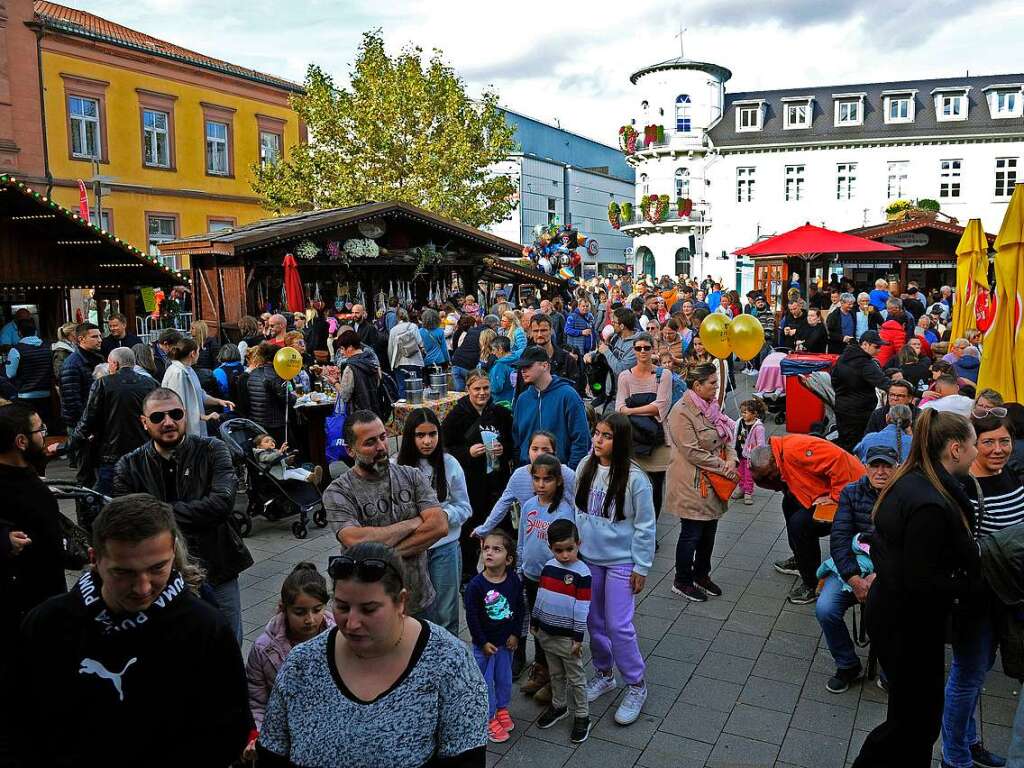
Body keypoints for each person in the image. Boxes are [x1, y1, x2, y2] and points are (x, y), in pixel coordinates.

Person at [5, 494, 251, 766]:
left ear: (174, 553)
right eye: (124, 573)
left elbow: (229, 729)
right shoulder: (48, 624)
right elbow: (20, 722)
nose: (143, 588)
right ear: (94, 559)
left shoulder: (205, 628)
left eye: (158, 568)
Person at [255, 543, 488, 766]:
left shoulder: (450, 662)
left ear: (401, 601)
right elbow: (272, 753)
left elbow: (466, 759)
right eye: (342, 607)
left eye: (368, 609)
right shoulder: (301, 663)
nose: (352, 623)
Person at [853, 411, 980, 768]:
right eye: (973, 445)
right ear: (955, 449)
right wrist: (970, 583)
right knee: (915, 722)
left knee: (911, 718)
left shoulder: (914, 480)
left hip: (897, 619)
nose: (977, 453)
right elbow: (923, 581)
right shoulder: (930, 502)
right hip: (909, 627)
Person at [113, 388, 251, 642]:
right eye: (158, 417)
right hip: (156, 580)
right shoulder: (129, 465)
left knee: (228, 643)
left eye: (175, 414)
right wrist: (193, 511)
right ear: (144, 422)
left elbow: (221, 504)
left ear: (185, 415)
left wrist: (156, 513)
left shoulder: (213, 450)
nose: (168, 422)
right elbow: (129, 522)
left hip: (217, 564)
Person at [941, 410, 1023, 768]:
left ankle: (969, 743)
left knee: (982, 672)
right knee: (968, 675)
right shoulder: (964, 490)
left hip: (1010, 596)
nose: (997, 449)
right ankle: (955, 755)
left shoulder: (1013, 477)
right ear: (973, 446)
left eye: (1004, 440)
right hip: (977, 600)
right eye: (987, 442)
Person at [323, 410, 449, 616]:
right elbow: (356, 540)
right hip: (370, 609)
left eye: (383, 437)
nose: (381, 447)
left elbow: (439, 526)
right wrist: (414, 522)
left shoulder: (411, 476)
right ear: (350, 450)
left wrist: (382, 557)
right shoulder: (339, 491)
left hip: (419, 601)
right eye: (370, 442)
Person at [575, 412, 655, 726]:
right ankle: (605, 674)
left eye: (606, 436)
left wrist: (642, 566)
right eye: (597, 433)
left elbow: (646, 527)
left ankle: (636, 685)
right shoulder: (585, 466)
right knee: (594, 621)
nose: (598, 440)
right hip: (588, 559)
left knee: (619, 625)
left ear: (619, 441)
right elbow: (576, 508)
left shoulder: (636, 479)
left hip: (623, 562)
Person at [816, 445, 899, 694]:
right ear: (865, 467)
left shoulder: (904, 495)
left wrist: (880, 576)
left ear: (898, 468)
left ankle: (891, 669)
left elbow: (906, 544)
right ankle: (847, 664)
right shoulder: (852, 492)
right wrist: (853, 578)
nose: (881, 471)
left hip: (889, 571)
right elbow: (839, 538)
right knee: (826, 608)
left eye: (887, 466)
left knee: (895, 612)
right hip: (853, 566)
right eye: (875, 465)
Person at [749, 434, 865, 604]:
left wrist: (835, 496)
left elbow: (838, 460)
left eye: (771, 474)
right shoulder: (780, 454)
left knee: (801, 524)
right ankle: (800, 560)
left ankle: (812, 583)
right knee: (789, 503)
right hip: (829, 488)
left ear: (774, 462)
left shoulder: (796, 450)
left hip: (852, 494)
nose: (772, 479)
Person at [244, 562, 335, 759]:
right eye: (300, 612)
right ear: (283, 608)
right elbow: (257, 702)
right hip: (284, 739)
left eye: (317, 609)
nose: (309, 619)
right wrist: (257, 736)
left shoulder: (340, 638)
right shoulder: (263, 649)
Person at [0, 403, 68, 663]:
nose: (44, 434)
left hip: (46, 602)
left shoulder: (24, 475)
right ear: (21, 441)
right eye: (40, 429)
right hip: (22, 613)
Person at [396, 408, 472, 636]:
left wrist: (442, 517)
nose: (427, 441)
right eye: (420, 435)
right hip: (411, 550)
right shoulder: (397, 467)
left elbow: (464, 506)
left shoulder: (449, 464)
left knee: (446, 613)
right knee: (415, 612)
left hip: (444, 548)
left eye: (432, 434)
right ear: (410, 436)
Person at [666, 362, 737, 601]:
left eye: (716, 382)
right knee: (692, 533)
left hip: (713, 481)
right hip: (692, 482)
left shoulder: (712, 407)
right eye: (713, 383)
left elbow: (728, 435)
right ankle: (682, 579)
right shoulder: (681, 411)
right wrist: (724, 467)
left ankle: (702, 574)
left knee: (709, 532)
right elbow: (692, 452)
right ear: (697, 385)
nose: (717, 388)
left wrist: (733, 459)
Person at [515, 452, 577, 702]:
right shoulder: (529, 506)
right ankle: (540, 671)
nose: (541, 485)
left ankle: (556, 678)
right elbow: (522, 538)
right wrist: (519, 566)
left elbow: (568, 549)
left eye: (547, 480)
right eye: (536, 479)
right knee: (537, 627)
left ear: (558, 481)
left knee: (554, 630)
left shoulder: (563, 511)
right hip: (530, 577)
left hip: (553, 582)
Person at [442, 369, 513, 580]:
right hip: (469, 482)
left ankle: (501, 571)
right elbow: (445, 448)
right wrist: (467, 452)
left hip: (495, 480)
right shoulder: (457, 415)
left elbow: (511, 442)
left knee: (498, 525)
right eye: (477, 389)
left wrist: (504, 449)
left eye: (486, 388)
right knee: (470, 527)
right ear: (468, 390)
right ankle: (468, 573)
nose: (482, 393)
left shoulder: (499, 413)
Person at [530, 518, 592, 743]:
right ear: (550, 548)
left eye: (570, 549)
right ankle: (559, 706)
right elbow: (541, 595)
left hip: (568, 638)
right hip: (547, 633)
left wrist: (578, 637)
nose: (565, 555)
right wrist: (535, 621)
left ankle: (582, 715)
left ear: (579, 544)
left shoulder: (582, 573)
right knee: (555, 673)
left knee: (576, 677)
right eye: (559, 550)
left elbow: (582, 607)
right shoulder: (548, 567)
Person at [463, 530, 524, 744]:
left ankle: (501, 708)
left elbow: (519, 608)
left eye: (496, 549)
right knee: (485, 683)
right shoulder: (476, 586)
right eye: (486, 548)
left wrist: (515, 634)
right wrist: (482, 642)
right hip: (485, 647)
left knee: (504, 680)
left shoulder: (513, 580)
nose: (489, 553)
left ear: (508, 559)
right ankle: (487, 718)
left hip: (505, 645)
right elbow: (472, 617)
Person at [75, 347, 158, 496]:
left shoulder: (103, 384)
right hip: (144, 452)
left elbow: (87, 421)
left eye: (108, 364)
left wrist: (66, 446)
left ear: (114, 363)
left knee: (108, 500)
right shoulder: (151, 383)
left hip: (111, 455)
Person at [511, 346, 590, 470]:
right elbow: (516, 439)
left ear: (545, 366)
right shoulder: (522, 399)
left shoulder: (568, 395)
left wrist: (570, 471)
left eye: (528, 366)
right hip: (528, 471)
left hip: (560, 474)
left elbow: (581, 439)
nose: (523, 370)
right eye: (521, 367)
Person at [832, 330, 893, 452]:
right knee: (856, 446)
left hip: (842, 407)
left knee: (845, 442)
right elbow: (884, 383)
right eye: (876, 346)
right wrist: (916, 392)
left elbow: (833, 379)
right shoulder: (865, 364)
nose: (879, 350)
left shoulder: (843, 358)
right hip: (860, 412)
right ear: (865, 344)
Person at [162, 336, 233, 437]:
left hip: (194, 429)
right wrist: (205, 417)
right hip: (184, 431)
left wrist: (219, 401)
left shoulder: (189, 370)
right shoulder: (177, 373)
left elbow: (200, 394)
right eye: (199, 351)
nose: (200, 355)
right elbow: (179, 406)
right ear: (193, 353)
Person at [6, 317, 53, 424]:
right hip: (47, 394)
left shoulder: (16, 350)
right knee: (46, 424)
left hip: (25, 395)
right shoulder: (48, 346)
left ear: (19, 333)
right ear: (36, 331)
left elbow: (10, 374)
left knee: (31, 425)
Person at [60, 321, 104, 432]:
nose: (100, 340)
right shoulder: (71, 365)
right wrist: (84, 426)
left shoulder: (99, 358)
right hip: (81, 425)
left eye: (100, 336)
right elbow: (72, 401)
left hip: (97, 419)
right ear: (81, 339)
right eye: (94, 337)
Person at [246, 341, 290, 444]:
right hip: (274, 423)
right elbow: (286, 398)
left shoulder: (253, 373)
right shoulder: (275, 375)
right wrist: (294, 397)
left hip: (257, 422)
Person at [733, 398, 768, 505]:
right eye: (742, 412)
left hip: (750, 455)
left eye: (745, 412)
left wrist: (757, 455)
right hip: (740, 452)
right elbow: (735, 434)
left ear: (754, 414)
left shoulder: (758, 427)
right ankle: (741, 488)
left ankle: (748, 491)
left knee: (749, 474)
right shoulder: (739, 422)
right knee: (740, 472)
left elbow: (761, 443)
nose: (742, 414)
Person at [252, 434, 322, 485]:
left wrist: (287, 460)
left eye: (271, 440)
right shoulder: (261, 454)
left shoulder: (274, 451)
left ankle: (313, 476)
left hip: (284, 470)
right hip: (277, 475)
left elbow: (280, 460)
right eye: (267, 441)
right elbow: (270, 458)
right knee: (292, 473)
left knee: (299, 469)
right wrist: (280, 452)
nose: (271, 442)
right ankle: (307, 479)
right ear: (259, 447)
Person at [388, 308, 424, 400]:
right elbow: (420, 342)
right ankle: (417, 407)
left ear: (397, 318)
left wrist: (392, 364)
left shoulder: (393, 330)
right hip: (415, 362)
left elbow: (390, 349)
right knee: (416, 387)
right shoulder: (413, 326)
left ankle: (404, 410)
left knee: (402, 387)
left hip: (400, 363)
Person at [487, 336, 518, 405]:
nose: (493, 353)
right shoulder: (518, 361)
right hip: (513, 402)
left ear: (500, 349)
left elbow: (496, 387)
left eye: (494, 349)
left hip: (500, 403)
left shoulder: (500, 365)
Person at [419, 308, 450, 374]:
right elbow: (444, 348)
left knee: (427, 383)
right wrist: (447, 360)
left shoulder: (420, 331)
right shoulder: (440, 331)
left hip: (426, 361)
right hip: (439, 360)